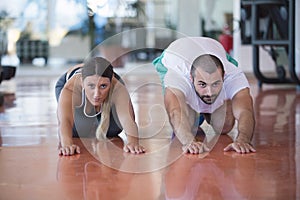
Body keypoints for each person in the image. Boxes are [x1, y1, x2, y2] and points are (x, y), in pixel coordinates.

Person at [153, 37, 256, 154]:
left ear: (224, 76)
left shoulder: (232, 74)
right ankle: (194, 108)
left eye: (216, 84)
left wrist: (243, 140)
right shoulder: (176, 76)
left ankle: (206, 108)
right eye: (203, 84)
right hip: (175, 53)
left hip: (213, 47)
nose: (210, 92)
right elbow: (174, 111)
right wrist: (188, 141)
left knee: (224, 126)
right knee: (188, 128)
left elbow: (245, 111)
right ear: (191, 78)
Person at [55, 56, 145, 156]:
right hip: (70, 84)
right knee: (78, 131)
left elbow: (128, 120)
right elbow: (65, 120)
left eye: (103, 86)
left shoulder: (118, 88)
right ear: (82, 82)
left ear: (110, 84)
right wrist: (67, 144)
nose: (96, 94)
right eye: (91, 86)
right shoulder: (70, 89)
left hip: (111, 85)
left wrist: (133, 143)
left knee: (112, 130)